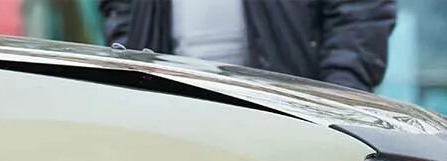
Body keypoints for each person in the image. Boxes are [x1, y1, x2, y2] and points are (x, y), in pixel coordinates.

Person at [98, 0, 395, 92]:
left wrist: (341, 95)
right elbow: (122, 8)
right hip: (171, 107)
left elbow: (359, 13)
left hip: (288, 113)